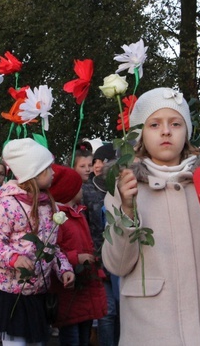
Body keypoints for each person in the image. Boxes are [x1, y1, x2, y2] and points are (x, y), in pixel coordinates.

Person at [103, 87, 200, 344]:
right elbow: (117, 265)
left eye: (175, 123)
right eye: (154, 124)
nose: (166, 131)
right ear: (140, 134)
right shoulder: (125, 186)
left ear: (186, 132)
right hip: (150, 332)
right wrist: (127, 211)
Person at [0, 138, 75, 345]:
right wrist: (14, 258)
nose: (54, 173)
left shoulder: (49, 205)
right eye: (48, 168)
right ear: (34, 173)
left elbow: (52, 245)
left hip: (37, 292)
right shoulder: (5, 206)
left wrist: (64, 268)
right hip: (11, 294)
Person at [48, 164, 107, 346]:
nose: (82, 189)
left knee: (84, 337)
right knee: (71, 338)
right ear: (68, 191)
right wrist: (76, 258)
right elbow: (53, 249)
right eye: (78, 186)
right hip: (69, 289)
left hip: (85, 284)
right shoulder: (58, 218)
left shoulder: (78, 214)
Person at [80, 143, 119, 346]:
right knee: (107, 312)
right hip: (99, 260)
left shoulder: (122, 188)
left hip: (122, 259)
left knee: (123, 310)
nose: (100, 166)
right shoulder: (86, 190)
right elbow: (83, 227)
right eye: (97, 162)